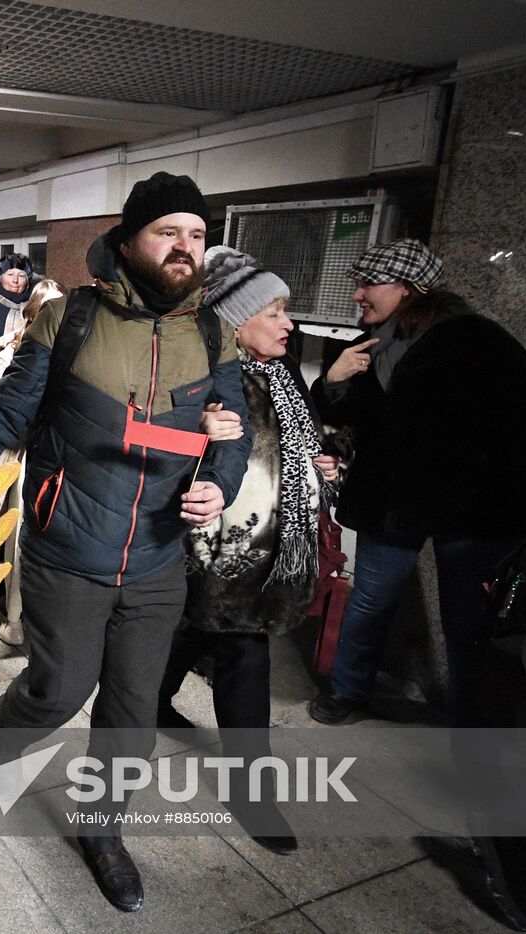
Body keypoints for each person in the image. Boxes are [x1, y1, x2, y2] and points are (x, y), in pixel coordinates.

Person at [0, 172, 252, 913]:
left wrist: (221, 482)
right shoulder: (67, 321)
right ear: (129, 240)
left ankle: (103, 832)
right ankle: (3, 724)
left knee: (132, 716)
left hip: (160, 560)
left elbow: (234, 432)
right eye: (169, 232)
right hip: (70, 549)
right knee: (59, 690)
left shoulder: (213, 332)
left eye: (197, 235)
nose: (185, 248)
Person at [307, 239, 526, 727]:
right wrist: (335, 381)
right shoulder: (371, 345)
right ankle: (348, 691)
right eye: (357, 283)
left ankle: (471, 722)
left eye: (369, 284)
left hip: (471, 509)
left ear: (409, 288)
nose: (357, 295)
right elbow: (348, 416)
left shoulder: (478, 340)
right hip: (395, 500)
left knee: (466, 622)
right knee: (371, 598)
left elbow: (523, 426)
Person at [158, 247, 340, 854]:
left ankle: (154, 701)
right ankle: (251, 788)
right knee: (243, 650)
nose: (289, 323)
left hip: (270, 544)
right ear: (236, 320)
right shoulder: (206, 377)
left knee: (196, 633)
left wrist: (317, 462)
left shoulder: (283, 376)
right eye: (275, 311)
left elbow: (298, 442)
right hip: (219, 548)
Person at [0, 278, 64, 648]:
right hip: (18, 461)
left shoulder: (73, 356)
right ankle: (11, 613)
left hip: (56, 463)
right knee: (13, 538)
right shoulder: (11, 355)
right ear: (34, 315)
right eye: (49, 311)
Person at [0, 252, 34, 336]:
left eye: (21, 275)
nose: (15, 280)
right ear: (0, 278)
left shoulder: (34, 305)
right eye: (10, 274)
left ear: (28, 282)